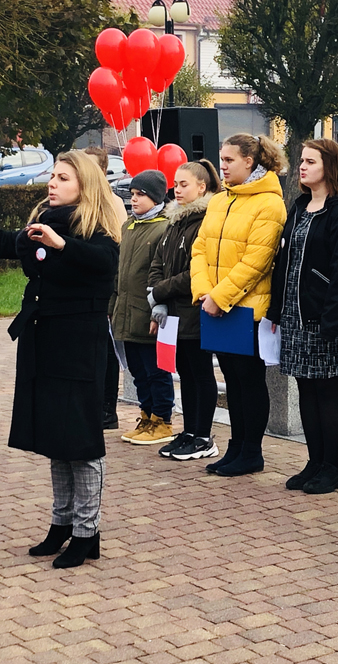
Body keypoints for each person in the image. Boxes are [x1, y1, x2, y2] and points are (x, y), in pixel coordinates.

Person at [0, 150, 122, 568]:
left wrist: (61, 244)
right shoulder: (44, 221)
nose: (53, 182)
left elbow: (104, 264)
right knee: (55, 436)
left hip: (80, 346)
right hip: (44, 339)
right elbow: (1, 242)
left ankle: (88, 533)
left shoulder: (98, 229)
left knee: (81, 441)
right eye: (52, 175)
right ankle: (61, 525)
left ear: (84, 185)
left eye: (63, 177)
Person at [266, 139, 338, 494]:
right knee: (305, 388)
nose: (302, 167)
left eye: (310, 161)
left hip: (324, 317)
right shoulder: (300, 206)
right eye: (301, 161)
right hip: (294, 314)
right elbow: (285, 261)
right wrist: (277, 309)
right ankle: (315, 460)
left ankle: (334, 466)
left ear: (329, 166)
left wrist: (331, 319)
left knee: (327, 388)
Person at [191, 133, 287, 477]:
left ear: (251, 161)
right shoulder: (219, 199)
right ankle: (235, 446)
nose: (223, 165)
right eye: (222, 159)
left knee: (248, 380)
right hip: (215, 304)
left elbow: (257, 261)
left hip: (246, 309)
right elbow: (199, 248)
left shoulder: (269, 203)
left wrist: (220, 297)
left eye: (230, 160)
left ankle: (251, 451)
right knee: (230, 380)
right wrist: (205, 292)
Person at [150, 160, 223, 461]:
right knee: (185, 373)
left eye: (184, 184)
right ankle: (190, 431)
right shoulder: (174, 222)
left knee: (200, 373)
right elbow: (157, 263)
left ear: (202, 187)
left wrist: (160, 290)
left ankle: (203, 436)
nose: (177, 190)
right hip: (173, 316)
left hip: (194, 311)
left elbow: (194, 272)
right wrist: (156, 293)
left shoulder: (205, 221)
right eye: (175, 184)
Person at [114, 170, 176, 445]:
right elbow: (120, 273)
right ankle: (146, 414)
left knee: (156, 370)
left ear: (156, 197)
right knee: (137, 370)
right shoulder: (128, 226)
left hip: (148, 312)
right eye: (133, 195)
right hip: (126, 312)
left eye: (141, 195)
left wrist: (156, 309)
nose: (134, 200)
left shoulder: (163, 228)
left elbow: (160, 273)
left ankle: (162, 419)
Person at [81, 145, 129, 430]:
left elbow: (117, 248)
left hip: (106, 285)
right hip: (83, 286)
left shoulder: (111, 202)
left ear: (101, 170)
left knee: (107, 347)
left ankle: (107, 409)